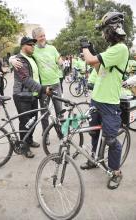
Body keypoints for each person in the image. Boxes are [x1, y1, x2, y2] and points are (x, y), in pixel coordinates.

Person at [80, 11, 129, 189]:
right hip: (97, 100)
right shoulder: (111, 50)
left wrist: (85, 47)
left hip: (109, 103)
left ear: (113, 30)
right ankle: (94, 159)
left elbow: (90, 60)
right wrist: (91, 50)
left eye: (104, 30)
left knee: (110, 139)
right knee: (94, 133)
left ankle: (116, 172)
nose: (103, 34)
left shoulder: (120, 49)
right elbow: (97, 65)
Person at [10, 26, 63, 142]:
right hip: (43, 88)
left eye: (44, 35)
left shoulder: (51, 48)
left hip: (55, 84)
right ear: (35, 38)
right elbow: (20, 55)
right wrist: (11, 59)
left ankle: (62, 133)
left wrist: (60, 62)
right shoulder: (33, 51)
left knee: (60, 111)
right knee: (44, 113)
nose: (43, 38)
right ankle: (45, 135)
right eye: (40, 36)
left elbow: (58, 58)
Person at [13, 36, 51, 158]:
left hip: (33, 95)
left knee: (33, 121)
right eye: (31, 45)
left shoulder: (31, 58)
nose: (33, 47)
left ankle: (29, 140)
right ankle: (24, 147)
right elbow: (25, 78)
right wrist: (43, 88)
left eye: (33, 45)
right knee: (25, 123)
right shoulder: (19, 60)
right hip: (22, 95)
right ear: (23, 46)